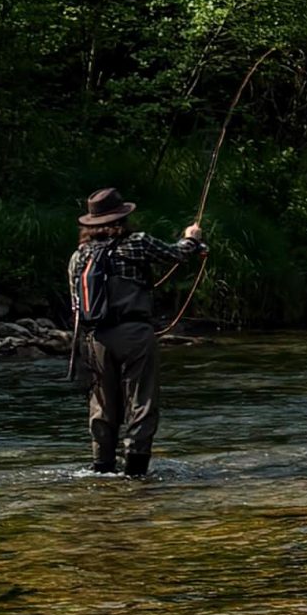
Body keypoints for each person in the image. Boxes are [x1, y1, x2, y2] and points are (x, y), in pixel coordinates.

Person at [67, 185, 204, 475]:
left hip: (94, 338)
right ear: (122, 218)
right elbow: (174, 254)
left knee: (102, 405)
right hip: (134, 333)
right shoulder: (137, 243)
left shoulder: (79, 256)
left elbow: (76, 305)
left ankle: (102, 469)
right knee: (141, 401)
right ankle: (136, 472)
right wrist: (191, 239)